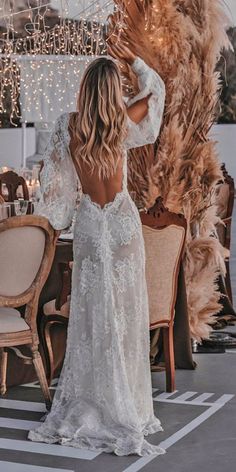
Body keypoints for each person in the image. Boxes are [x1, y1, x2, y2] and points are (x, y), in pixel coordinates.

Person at [28, 43, 166, 456]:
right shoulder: (124, 123)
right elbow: (154, 88)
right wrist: (135, 62)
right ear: (112, 92)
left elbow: (54, 196)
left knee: (91, 315)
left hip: (90, 223)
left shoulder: (66, 126)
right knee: (124, 315)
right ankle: (129, 405)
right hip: (122, 225)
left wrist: (51, 224)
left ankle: (94, 401)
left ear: (86, 90)